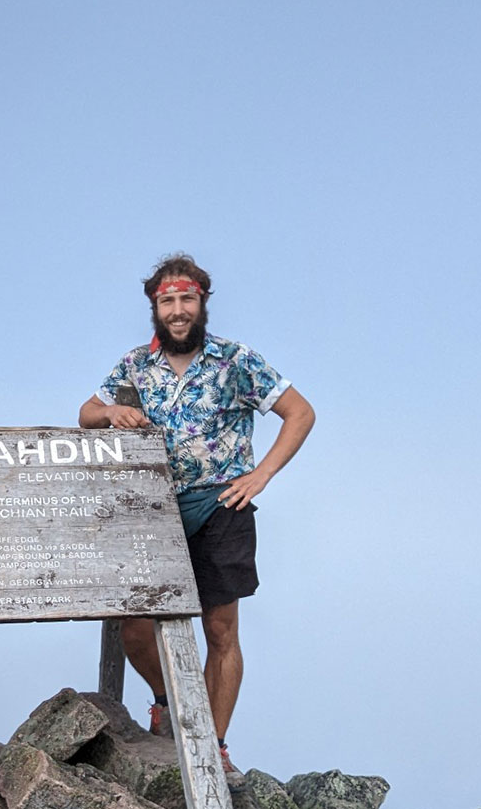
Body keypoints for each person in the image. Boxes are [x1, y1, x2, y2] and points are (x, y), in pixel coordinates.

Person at [78, 253, 314, 786]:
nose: (178, 310)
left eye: (187, 298)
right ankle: (169, 705)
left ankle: (214, 744)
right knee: (134, 628)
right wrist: (111, 412)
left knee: (220, 630)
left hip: (221, 504)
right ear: (155, 307)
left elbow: (300, 412)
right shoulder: (136, 365)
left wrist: (263, 475)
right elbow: (86, 413)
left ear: (202, 301)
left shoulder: (236, 361)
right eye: (168, 301)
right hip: (151, 510)